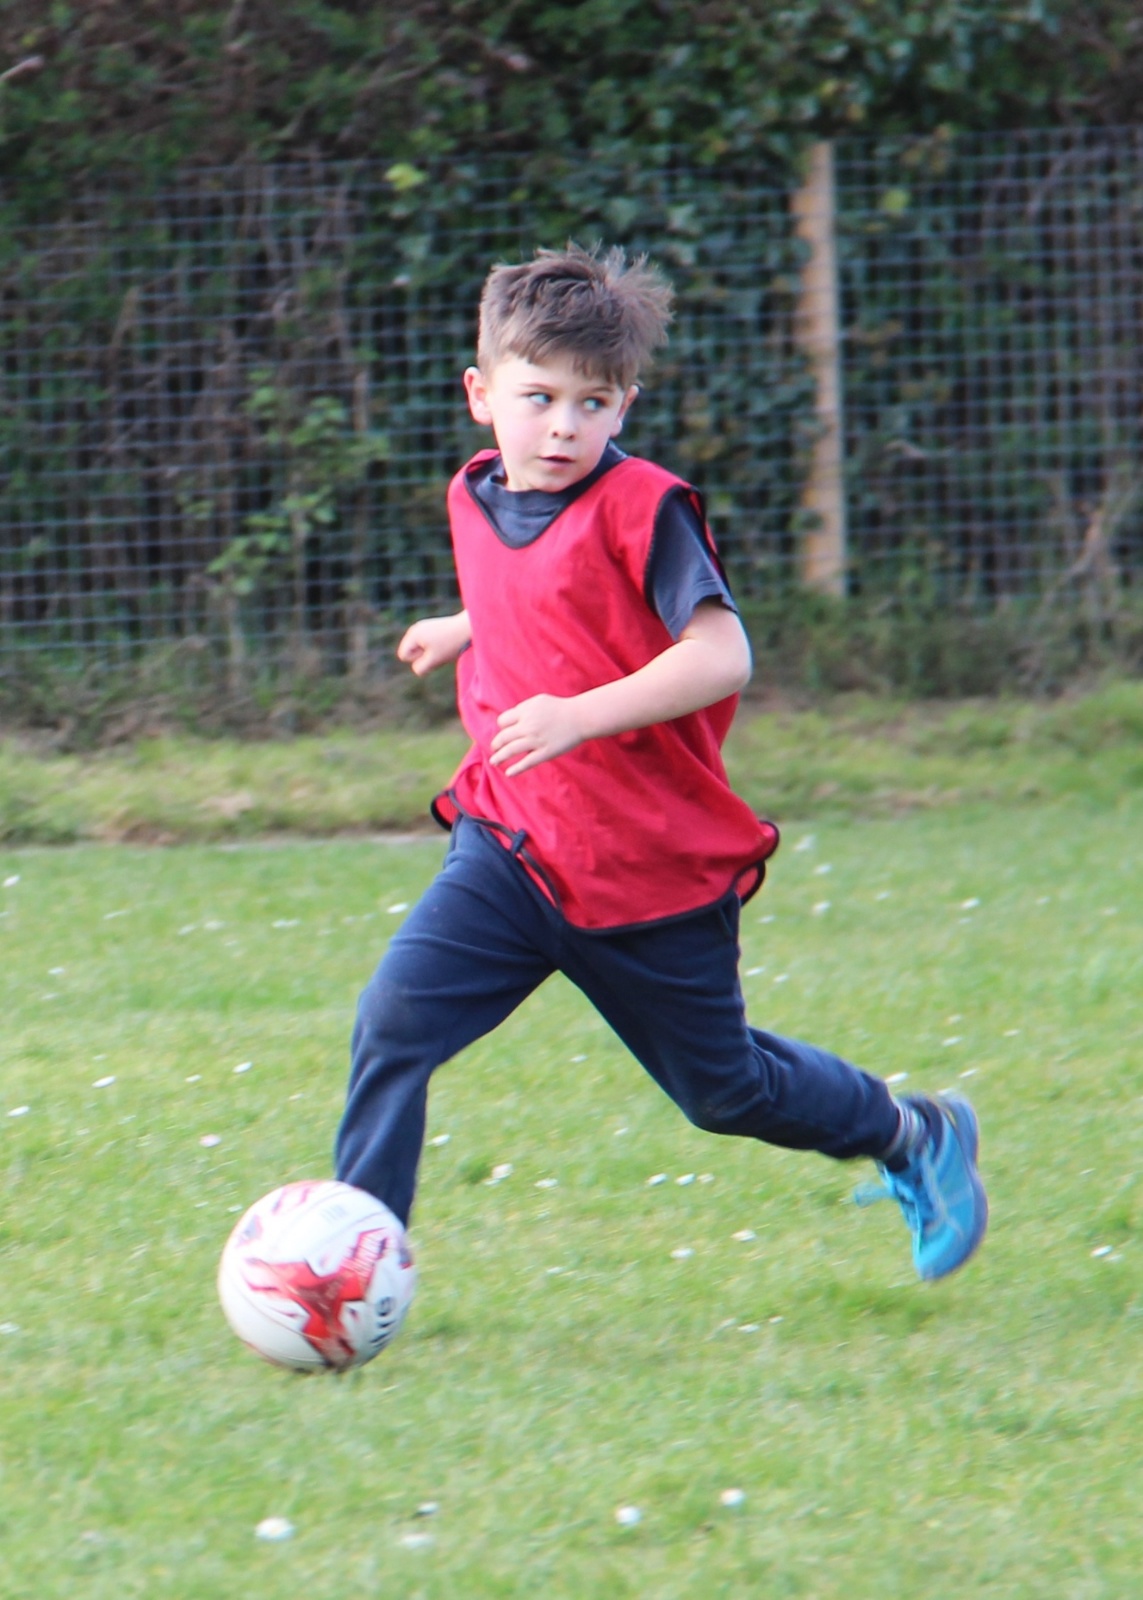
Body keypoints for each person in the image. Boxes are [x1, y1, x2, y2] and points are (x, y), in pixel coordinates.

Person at [334, 243, 988, 1283]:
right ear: (480, 394)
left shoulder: (646, 508)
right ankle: (353, 1260)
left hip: (644, 870)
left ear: (624, 407)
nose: (562, 426)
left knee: (723, 1093)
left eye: (591, 404)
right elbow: (546, 587)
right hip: (513, 845)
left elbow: (722, 655)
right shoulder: (478, 494)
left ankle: (913, 1132)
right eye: (539, 397)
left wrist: (578, 716)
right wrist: (467, 625)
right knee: (393, 1021)